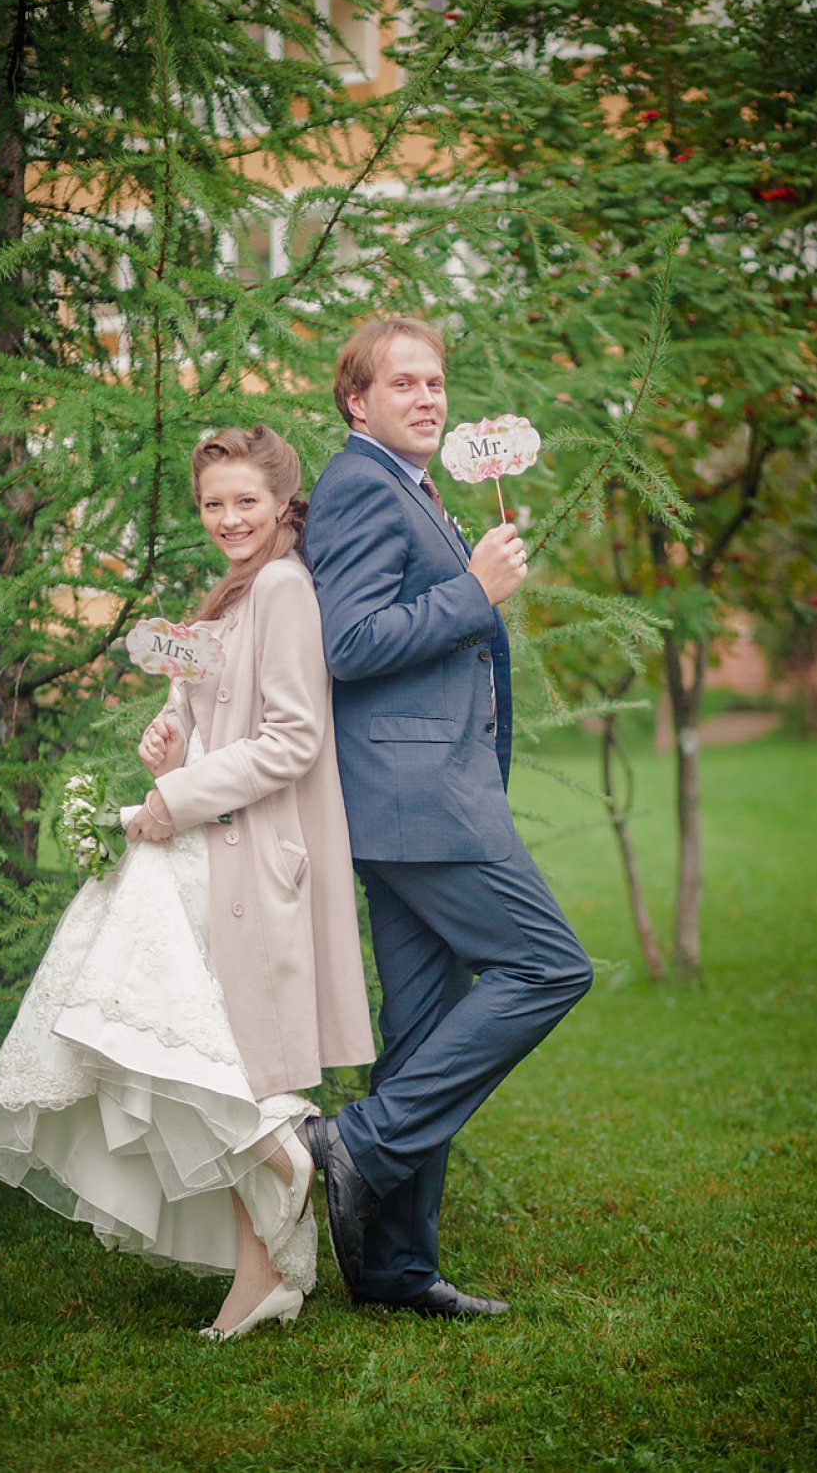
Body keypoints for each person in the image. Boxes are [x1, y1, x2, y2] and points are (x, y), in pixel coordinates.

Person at [0, 424, 375, 1340]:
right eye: (213, 504)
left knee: (178, 1030)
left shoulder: (284, 588)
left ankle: (284, 1156)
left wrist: (174, 799)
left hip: (253, 851)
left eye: (246, 502)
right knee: (209, 1043)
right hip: (212, 836)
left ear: (283, 503)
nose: (229, 518)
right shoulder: (230, 592)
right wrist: (170, 743)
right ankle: (268, 1268)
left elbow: (293, 739)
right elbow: (209, 716)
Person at [302, 319, 594, 1318]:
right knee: (548, 967)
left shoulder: (413, 487)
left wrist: (469, 584)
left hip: (418, 796)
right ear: (357, 401)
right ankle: (359, 1142)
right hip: (418, 799)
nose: (427, 398)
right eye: (403, 384)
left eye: (435, 382)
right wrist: (475, 592)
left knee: (424, 1026)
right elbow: (348, 643)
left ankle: (396, 1271)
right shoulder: (360, 484)